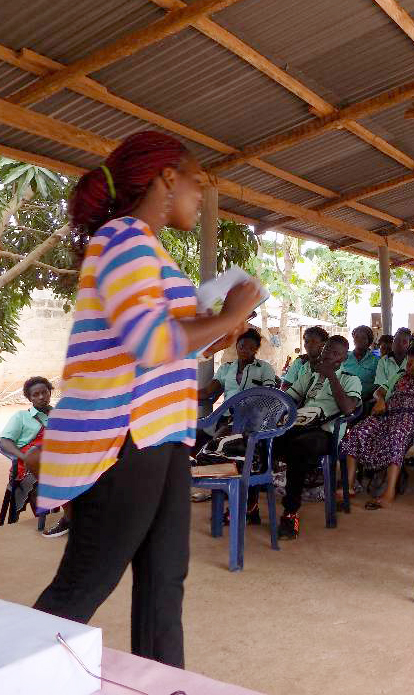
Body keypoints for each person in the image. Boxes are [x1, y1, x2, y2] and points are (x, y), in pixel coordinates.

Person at [30, 132, 260, 668]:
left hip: (163, 435)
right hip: (123, 438)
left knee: (164, 581)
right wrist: (229, 315)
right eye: (196, 182)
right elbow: (150, 342)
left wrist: (215, 331)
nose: (200, 195)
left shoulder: (148, 249)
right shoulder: (123, 239)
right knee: (84, 584)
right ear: (166, 178)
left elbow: (163, 344)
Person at [274, 335, 362, 539]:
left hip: (325, 433)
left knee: (297, 449)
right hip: (299, 426)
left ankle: (290, 512)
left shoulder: (349, 379)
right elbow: (289, 397)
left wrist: (331, 377)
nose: (328, 355)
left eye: (335, 353)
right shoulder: (310, 376)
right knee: (261, 441)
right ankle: (250, 507)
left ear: (343, 358)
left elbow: (349, 409)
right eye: (327, 350)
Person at [341, 338, 414, 510]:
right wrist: (381, 400)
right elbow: (379, 391)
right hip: (387, 414)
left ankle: (389, 492)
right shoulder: (400, 375)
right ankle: (349, 486)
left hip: (412, 417)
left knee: (396, 435)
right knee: (357, 431)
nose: (409, 367)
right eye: (408, 363)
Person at [0, 377, 60, 534]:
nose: (41, 397)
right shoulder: (21, 416)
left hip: (56, 461)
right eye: (35, 394)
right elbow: (4, 441)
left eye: (44, 392)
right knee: (38, 483)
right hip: (27, 464)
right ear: (29, 398)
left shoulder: (59, 415)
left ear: (50, 392)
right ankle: (44, 518)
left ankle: (69, 518)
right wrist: (24, 457)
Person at [197, 328, 276, 403]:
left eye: (251, 348)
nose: (245, 351)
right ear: (236, 345)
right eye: (242, 346)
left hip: (254, 412)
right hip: (227, 411)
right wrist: (189, 395)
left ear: (256, 350)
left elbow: (270, 394)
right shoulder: (225, 368)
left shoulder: (264, 368)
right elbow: (207, 392)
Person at [342, 325, 380, 401]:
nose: (359, 340)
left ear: (369, 341)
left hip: (366, 400)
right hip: (343, 397)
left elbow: (378, 384)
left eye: (363, 338)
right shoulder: (344, 356)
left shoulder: (376, 361)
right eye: (356, 337)